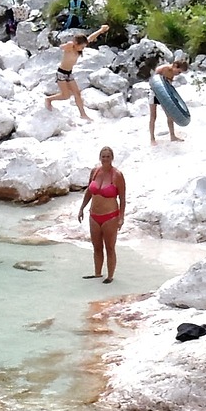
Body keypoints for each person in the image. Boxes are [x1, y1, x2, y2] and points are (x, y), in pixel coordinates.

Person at [77, 147, 126, 283]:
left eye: (108, 156)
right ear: (100, 157)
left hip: (110, 216)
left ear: (112, 158)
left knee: (110, 247)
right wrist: (82, 208)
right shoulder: (95, 172)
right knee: (96, 246)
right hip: (94, 215)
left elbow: (122, 198)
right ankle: (97, 273)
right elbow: (89, 191)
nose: (105, 159)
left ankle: (110, 276)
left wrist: (121, 217)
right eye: (103, 156)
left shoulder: (117, 175)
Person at [44, 25, 106, 120]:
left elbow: (90, 38)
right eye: (82, 47)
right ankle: (49, 99)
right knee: (66, 96)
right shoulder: (70, 48)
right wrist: (68, 44)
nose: (82, 49)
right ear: (76, 43)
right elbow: (61, 47)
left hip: (69, 73)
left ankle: (83, 114)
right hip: (61, 73)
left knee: (77, 93)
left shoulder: (78, 48)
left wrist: (101, 30)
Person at [148, 55, 189, 144]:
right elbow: (153, 81)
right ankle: (152, 139)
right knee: (153, 116)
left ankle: (172, 136)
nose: (178, 74)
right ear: (175, 65)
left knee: (170, 115)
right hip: (154, 93)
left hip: (165, 95)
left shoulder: (172, 74)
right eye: (178, 72)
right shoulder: (162, 69)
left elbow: (168, 85)